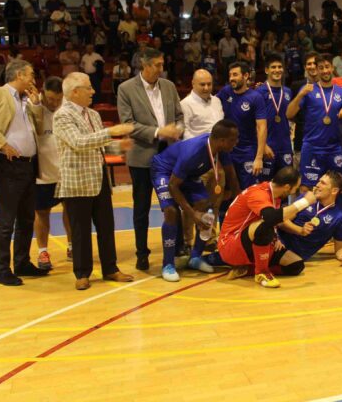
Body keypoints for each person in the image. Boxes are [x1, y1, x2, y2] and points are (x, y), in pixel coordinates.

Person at [53, 72, 135, 290]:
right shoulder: (62, 115)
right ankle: (82, 272)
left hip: (99, 179)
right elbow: (78, 142)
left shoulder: (94, 114)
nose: (93, 91)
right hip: (77, 181)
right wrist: (111, 131)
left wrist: (119, 147)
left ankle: (110, 268)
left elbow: (100, 146)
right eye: (89, 88)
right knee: (80, 230)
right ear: (75, 92)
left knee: (106, 226)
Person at [0, 60, 46, 286]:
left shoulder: (27, 100)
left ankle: (22, 263)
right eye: (31, 74)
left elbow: (40, 130)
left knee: (26, 218)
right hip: (7, 164)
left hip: (29, 164)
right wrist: (2, 143)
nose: (33, 79)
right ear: (20, 74)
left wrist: (36, 105)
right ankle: (2, 269)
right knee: (6, 220)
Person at [117, 48, 184, 270]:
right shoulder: (125, 89)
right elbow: (128, 124)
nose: (161, 68)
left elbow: (179, 116)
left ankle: (177, 248)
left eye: (162, 64)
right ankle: (141, 253)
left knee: (174, 203)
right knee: (141, 208)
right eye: (157, 64)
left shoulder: (169, 86)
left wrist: (178, 129)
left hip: (169, 155)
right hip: (142, 158)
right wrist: (158, 132)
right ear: (144, 66)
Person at [150, 120, 240, 281]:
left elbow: (230, 172)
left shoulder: (221, 147)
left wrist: (237, 196)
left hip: (188, 175)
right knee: (171, 211)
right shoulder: (193, 152)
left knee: (208, 208)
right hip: (165, 171)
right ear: (222, 140)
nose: (236, 142)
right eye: (234, 140)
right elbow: (173, 185)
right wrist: (193, 215)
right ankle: (168, 264)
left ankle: (195, 257)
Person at [219, 167, 317, 288]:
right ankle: (261, 273)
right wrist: (305, 202)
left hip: (250, 239)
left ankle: (248, 269)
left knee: (296, 265)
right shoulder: (258, 193)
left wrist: (300, 230)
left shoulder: (274, 195)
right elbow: (271, 217)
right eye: (295, 188)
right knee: (266, 226)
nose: (294, 192)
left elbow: (280, 218)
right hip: (231, 244)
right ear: (287, 187)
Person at [286, 56, 342, 190]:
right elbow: (289, 114)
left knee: (339, 186)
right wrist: (300, 95)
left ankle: (335, 212)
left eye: (327, 67)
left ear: (332, 68)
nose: (325, 71)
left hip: (335, 148)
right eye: (321, 68)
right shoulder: (308, 90)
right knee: (306, 187)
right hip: (312, 147)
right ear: (317, 70)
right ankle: (308, 212)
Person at [33, 76, 73, 270]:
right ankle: (42, 252)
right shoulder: (33, 107)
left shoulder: (68, 108)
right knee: (42, 213)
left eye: (58, 99)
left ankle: (72, 247)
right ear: (43, 92)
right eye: (50, 99)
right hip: (43, 173)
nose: (54, 103)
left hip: (67, 171)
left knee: (71, 210)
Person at [278, 171, 342, 266]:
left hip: (297, 259)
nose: (317, 185)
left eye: (323, 183)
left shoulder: (339, 217)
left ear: (334, 191)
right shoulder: (306, 199)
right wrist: (300, 230)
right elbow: (280, 221)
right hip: (279, 245)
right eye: (319, 181)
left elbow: (340, 247)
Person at [217, 61, 268, 189]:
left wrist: (259, 158)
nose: (231, 78)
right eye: (230, 75)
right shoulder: (225, 92)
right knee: (227, 192)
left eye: (235, 75)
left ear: (245, 76)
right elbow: (209, 103)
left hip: (248, 152)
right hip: (227, 151)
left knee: (249, 191)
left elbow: (261, 128)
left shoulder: (256, 97)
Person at [256, 53, 294, 180]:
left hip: (285, 147)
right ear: (267, 70)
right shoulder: (259, 92)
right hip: (267, 147)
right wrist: (263, 146)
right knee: (265, 187)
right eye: (273, 67)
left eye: (279, 67)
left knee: (286, 186)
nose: (277, 70)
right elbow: (254, 123)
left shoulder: (288, 92)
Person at [181, 69, 224, 140]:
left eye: (209, 84)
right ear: (193, 84)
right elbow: (185, 132)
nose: (206, 88)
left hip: (220, 146)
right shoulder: (185, 104)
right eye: (202, 84)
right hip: (198, 147)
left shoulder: (217, 101)